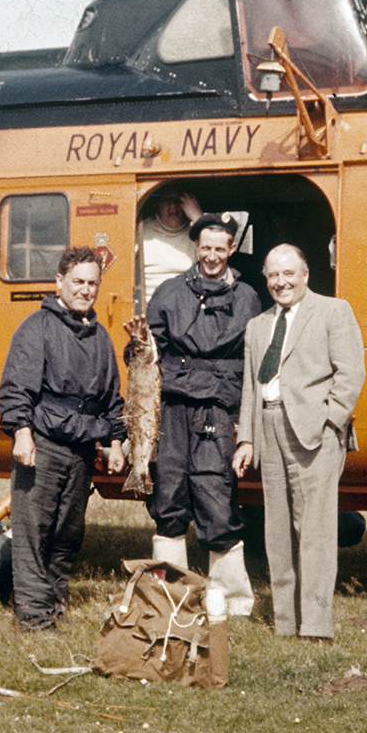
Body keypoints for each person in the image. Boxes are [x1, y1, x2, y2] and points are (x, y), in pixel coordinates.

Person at [128, 212, 261, 615]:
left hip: (217, 410)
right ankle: (168, 598)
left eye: (221, 249)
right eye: (205, 247)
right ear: (196, 247)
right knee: (168, 497)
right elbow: (145, 356)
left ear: (232, 249)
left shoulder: (248, 297)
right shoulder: (168, 294)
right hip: (171, 409)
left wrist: (241, 418)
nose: (212, 256)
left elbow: (250, 362)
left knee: (216, 497)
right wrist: (136, 344)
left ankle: (233, 601)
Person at [232, 244, 365, 641]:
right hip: (269, 429)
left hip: (315, 433)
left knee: (316, 531)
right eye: (273, 275)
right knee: (276, 532)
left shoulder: (333, 311)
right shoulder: (257, 327)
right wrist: (247, 439)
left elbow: (351, 372)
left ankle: (317, 625)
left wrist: (330, 423)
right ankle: (286, 624)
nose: (281, 282)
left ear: (305, 275)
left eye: (289, 274)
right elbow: (250, 389)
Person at [0, 246, 127, 631]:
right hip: (44, 444)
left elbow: (111, 397)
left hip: (83, 449)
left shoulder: (101, 336)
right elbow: (15, 388)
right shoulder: (36, 328)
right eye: (78, 282)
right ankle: (34, 618)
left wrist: (116, 441)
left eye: (92, 283)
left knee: (68, 533)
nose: (85, 290)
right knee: (33, 532)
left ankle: (54, 606)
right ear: (59, 283)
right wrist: (22, 434)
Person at [138, 187, 203, 306]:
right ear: (156, 205)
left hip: (188, 309)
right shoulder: (140, 232)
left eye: (178, 201)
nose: (173, 206)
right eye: (167, 200)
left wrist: (198, 218)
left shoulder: (199, 234)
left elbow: (217, 255)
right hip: (148, 310)